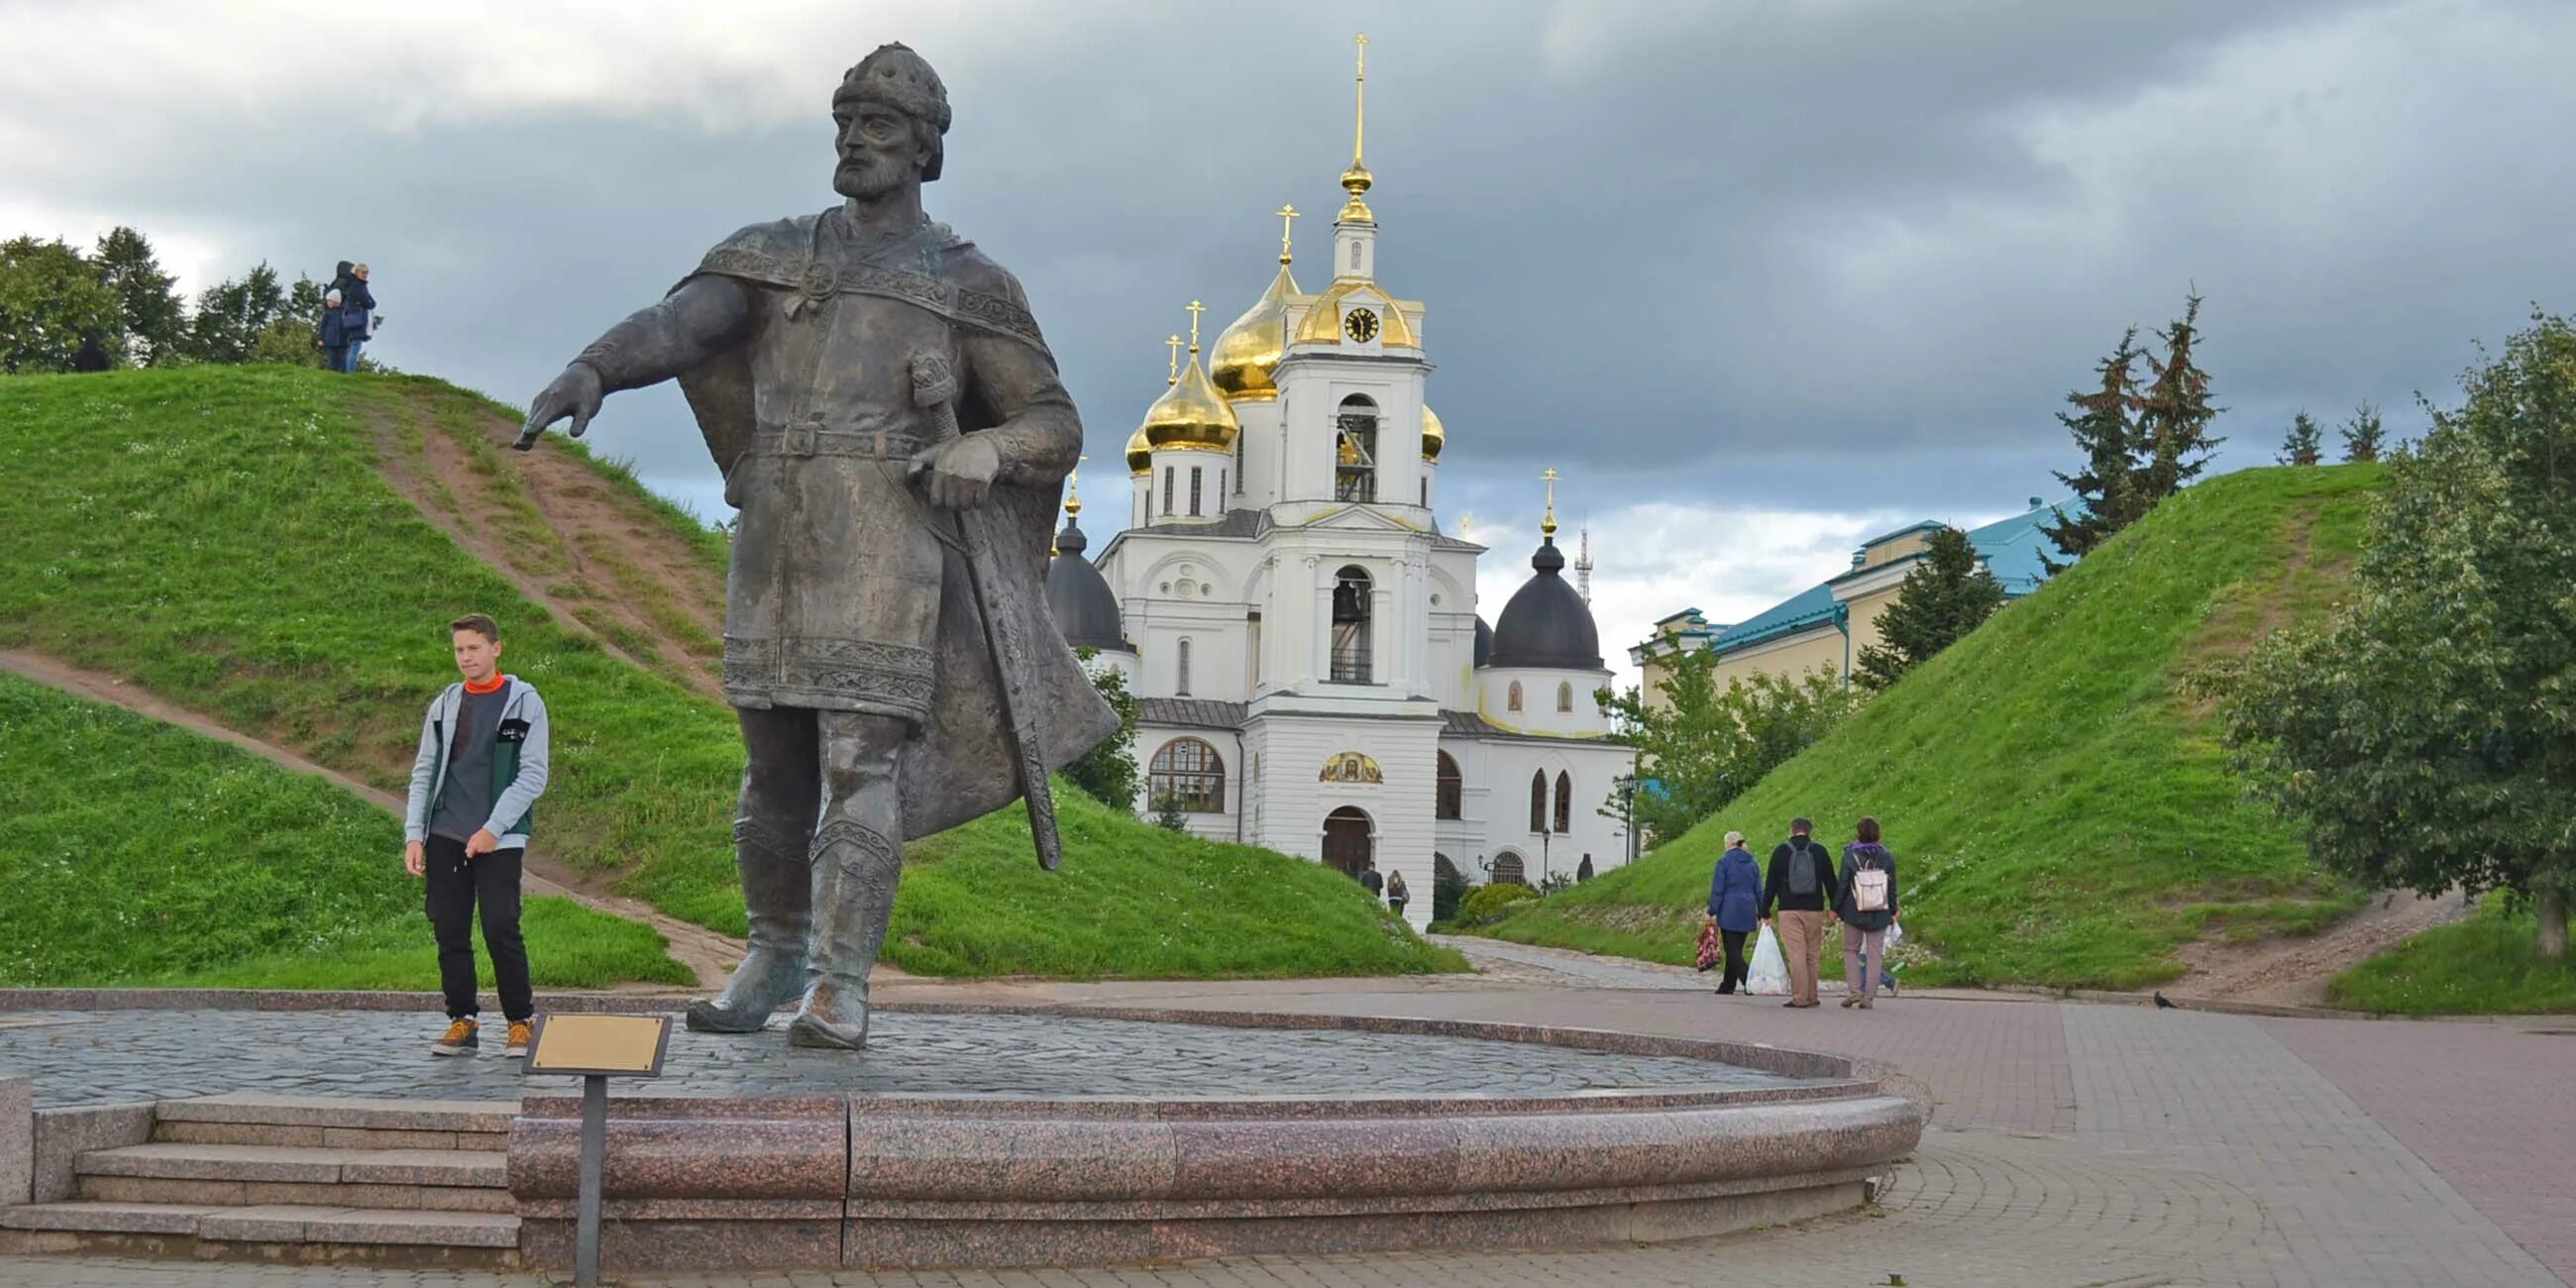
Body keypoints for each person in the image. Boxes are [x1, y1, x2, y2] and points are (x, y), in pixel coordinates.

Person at [516, 44, 1116, 1049]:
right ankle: (773, 952)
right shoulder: (772, 252)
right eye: (844, 124)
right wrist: (593, 368)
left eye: (878, 127)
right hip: (781, 531)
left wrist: (985, 444)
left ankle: (841, 982)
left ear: (924, 151)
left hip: (888, 538)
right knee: (769, 767)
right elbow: (677, 326)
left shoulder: (967, 284)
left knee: (856, 760)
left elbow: (1052, 420)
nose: (854, 141)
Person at [402, 613, 551, 1057]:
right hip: (446, 830)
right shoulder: (445, 704)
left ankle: (519, 1022)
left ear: (495, 648)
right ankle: (462, 1020)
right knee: (448, 927)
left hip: (499, 837)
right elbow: (425, 770)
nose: (465, 657)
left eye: (473, 648)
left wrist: (492, 829)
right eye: (459, 650)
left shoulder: (525, 702)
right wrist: (415, 834)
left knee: (500, 925)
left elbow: (533, 775)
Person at [1760, 816, 1836, 1009]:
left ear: (1792, 830)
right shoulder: (1819, 851)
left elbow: (1771, 884)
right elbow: (1831, 882)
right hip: (1815, 910)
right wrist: (1835, 907)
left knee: (1796, 955)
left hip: (1789, 910)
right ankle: (1812, 996)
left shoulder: (1781, 851)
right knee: (1812, 954)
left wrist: (1764, 909)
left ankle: (1800, 998)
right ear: (1809, 831)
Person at [1836, 816, 1900, 1010]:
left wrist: (1835, 908)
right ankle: (1869, 998)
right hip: (1880, 911)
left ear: (1858, 833)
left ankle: (1855, 991)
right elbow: (1892, 886)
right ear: (1878, 834)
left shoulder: (1850, 855)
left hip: (1854, 911)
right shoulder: (1886, 856)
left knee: (1850, 950)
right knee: (1874, 954)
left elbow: (1843, 885)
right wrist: (1893, 910)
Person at [1705, 830, 1763, 994]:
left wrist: (1712, 910)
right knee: (1736, 948)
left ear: (1728, 844)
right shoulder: (1753, 862)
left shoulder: (1724, 862)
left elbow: (1718, 889)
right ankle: (1728, 984)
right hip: (1747, 908)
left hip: (1730, 908)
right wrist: (1762, 910)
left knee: (1732, 949)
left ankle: (1749, 980)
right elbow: (1759, 889)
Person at [331, 261, 376, 372]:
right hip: (357, 319)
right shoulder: (358, 286)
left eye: (367, 272)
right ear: (357, 273)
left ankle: (345, 370)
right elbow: (367, 302)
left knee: (352, 346)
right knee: (355, 346)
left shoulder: (358, 285)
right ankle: (350, 372)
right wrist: (371, 303)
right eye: (363, 272)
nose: (365, 275)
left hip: (354, 318)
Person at [316, 289, 354, 374]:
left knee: (342, 359)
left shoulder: (344, 312)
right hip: (330, 341)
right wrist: (321, 339)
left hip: (342, 341)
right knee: (332, 360)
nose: (328, 303)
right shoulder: (327, 313)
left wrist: (349, 336)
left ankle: (343, 376)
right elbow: (323, 327)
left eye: (330, 300)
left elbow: (349, 325)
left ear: (336, 301)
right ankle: (331, 375)